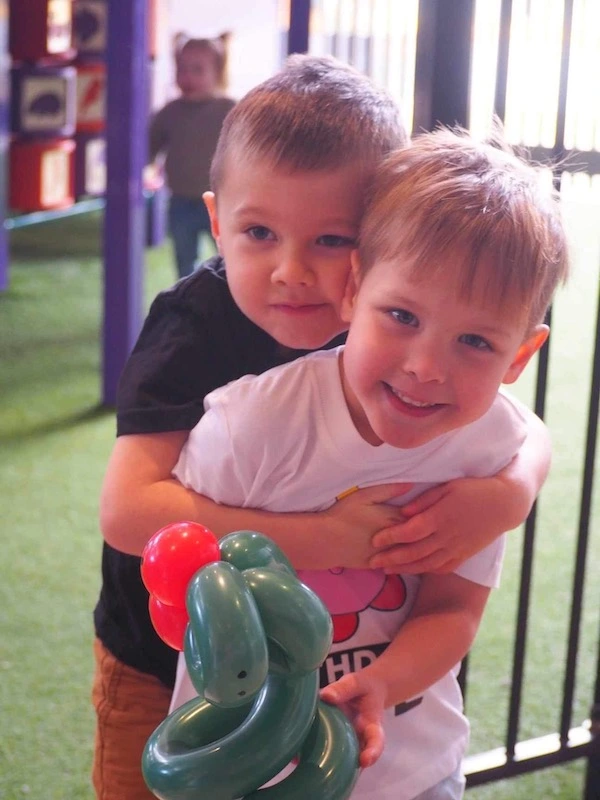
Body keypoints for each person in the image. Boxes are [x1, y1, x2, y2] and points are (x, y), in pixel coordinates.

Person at [94, 55, 551, 800]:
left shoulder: (397, 330)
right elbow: (128, 512)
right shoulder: (193, 330)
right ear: (216, 222)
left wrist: (513, 490)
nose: (293, 272)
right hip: (161, 652)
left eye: (331, 240)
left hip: (340, 673)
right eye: (259, 233)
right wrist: (336, 538)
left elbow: (507, 422)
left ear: (375, 247)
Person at [148, 34, 235, 278]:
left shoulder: (228, 109)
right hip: (180, 201)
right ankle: (189, 306)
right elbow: (147, 148)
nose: (187, 77)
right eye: (182, 69)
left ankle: (231, 305)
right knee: (184, 262)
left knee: (232, 258)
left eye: (197, 70)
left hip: (221, 201)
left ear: (217, 72)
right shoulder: (170, 112)